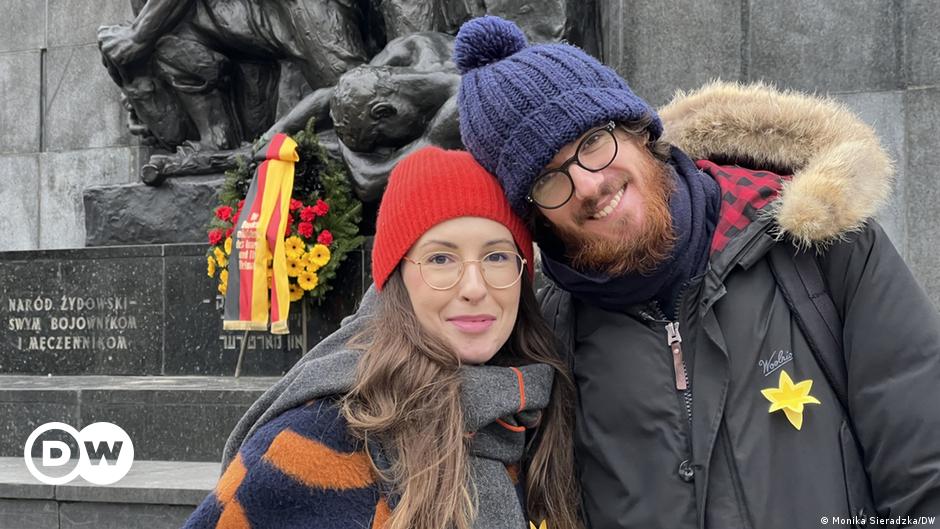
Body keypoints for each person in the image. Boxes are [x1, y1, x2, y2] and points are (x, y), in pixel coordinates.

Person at [450, 15, 940, 529]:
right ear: (535, 217)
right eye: (550, 178)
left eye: (593, 141)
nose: (589, 185)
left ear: (639, 130)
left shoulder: (823, 247)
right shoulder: (546, 333)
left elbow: (925, 473)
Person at [180, 146, 583, 529]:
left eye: (496, 256)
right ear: (397, 282)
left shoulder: (540, 417)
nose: (474, 287)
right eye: (440, 259)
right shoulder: (322, 438)